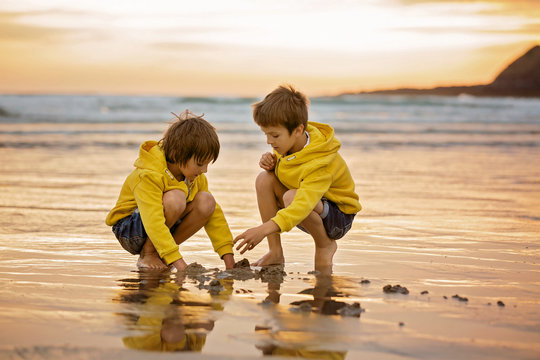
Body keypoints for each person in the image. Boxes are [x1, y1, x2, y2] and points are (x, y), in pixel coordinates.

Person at [234, 85, 361, 270]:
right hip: (310, 206)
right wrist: (273, 166)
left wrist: (262, 229)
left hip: (338, 217)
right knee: (263, 179)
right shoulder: (288, 145)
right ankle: (275, 252)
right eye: (266, 134)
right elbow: (292, 172)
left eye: (274, 135)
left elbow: (301, 203)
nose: (269, 141)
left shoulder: (320, 162)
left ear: (298, 130)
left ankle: (325, 244)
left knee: (291, 197)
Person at [106, 110, 235, 271]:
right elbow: (153, 220)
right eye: (201, 164)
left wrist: (228, 258)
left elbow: (214, 217)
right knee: (176, 198)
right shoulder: (149, 175)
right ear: (176, 154)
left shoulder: (194, 177)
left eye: (208, 164)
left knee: (207, 201)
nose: (205, 170)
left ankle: (160, 253)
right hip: (130, 229)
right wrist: (179, 263)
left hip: (160, 228)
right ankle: (149, 254)